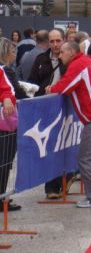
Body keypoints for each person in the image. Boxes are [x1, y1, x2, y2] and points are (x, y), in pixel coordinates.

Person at [46, 42, 91, 208]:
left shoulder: (78, 64)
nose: (59, 55)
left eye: (62, 52)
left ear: (71, 52)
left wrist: (50, 88)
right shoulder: (87, 62)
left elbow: (65, 86)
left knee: (86, 160)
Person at [28, 29, 69, 199]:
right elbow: (32, 82)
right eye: (52, 41)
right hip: (45, 108)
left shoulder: (70, 59)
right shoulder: (41, 59)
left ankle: (65, 178)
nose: (55, 44)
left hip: (66, 107)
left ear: (64, 40)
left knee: (65, 146)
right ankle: (51, 187)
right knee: (50, 146)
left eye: (58, 40)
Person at [0, 37, 29, 211]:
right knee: (4, 160)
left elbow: (8, 91)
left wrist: (7, 97)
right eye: (13, 52)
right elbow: (11, 91)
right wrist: (7, 98)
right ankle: (2, 197)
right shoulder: (5, 70)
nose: (15, 55)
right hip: (5, 124)